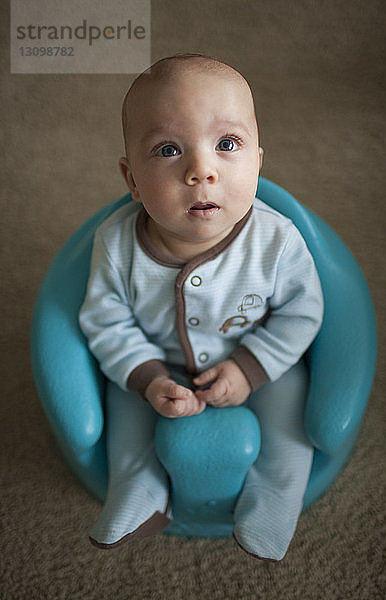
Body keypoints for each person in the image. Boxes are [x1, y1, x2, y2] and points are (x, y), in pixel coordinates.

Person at [79, 53, 324, 560]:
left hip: (259, 357)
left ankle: (275, 497)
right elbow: (106, 322)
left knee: (291, 410)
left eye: (227, 144)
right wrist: (148, 380)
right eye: (168, 149)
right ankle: (139, 489)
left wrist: (249, 369)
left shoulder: (276, 241)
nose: (201, 170)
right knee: (123, 408)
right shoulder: (117, 244)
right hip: (157, 361)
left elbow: (302, 313)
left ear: (257, 160)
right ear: (132, 179)